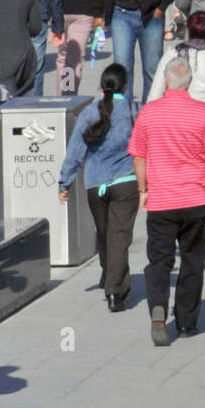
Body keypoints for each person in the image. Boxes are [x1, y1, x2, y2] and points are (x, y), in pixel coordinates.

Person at [128, 57, 205, 346]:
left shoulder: (149, 112)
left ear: (166, 81)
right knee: (193, 260)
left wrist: (143, 190)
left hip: (161, 201)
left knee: (159, 260)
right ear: (190, 81)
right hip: (194, 199)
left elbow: (139, 156)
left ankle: (158, 308)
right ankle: (187, 322)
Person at [59, 64, 138, 311]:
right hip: (125, 182)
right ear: (125, 86)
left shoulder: (89, 112)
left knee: (104, 235)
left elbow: (74, 152)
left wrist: (65, 182)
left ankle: (109, 277)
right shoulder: (133, 111)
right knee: (119, 237)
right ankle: (115, 290)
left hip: (95, 184)